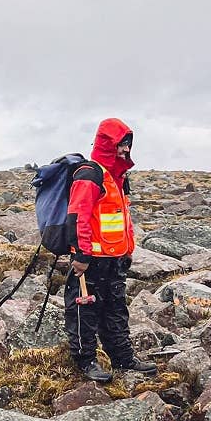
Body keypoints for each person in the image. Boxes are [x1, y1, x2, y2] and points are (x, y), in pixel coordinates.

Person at [64, 118, 158, 383]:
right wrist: (80, 255)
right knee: (84, 311)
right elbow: (77, 216)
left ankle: (122, 358)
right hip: (90, 260)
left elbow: (123, 216)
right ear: (108, 144)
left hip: (114, 258)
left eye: (127, 146)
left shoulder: (118, 177)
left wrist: (129, 248)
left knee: (116, 309)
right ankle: (86, 361)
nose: (125, 151)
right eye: (121, 145)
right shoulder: (89, 173)